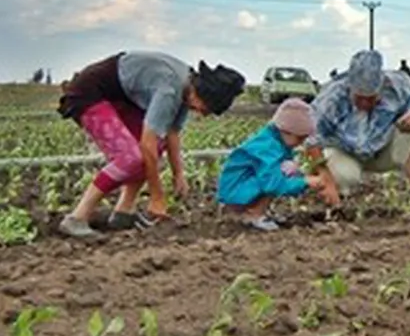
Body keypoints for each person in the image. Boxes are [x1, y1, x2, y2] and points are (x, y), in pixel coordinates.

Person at [56, 51, 246, 237]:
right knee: (132, 158)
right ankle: (77, 218)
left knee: (154, 148)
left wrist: (178, 174)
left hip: (119, 98)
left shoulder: (186, 88)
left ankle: (124, 212)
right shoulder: (170, 90)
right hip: (89, 94)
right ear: (199, 94)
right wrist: (157, 196)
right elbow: (147, 144)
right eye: (205, 109)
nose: (202, 113)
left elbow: (171, 133)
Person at [301, 50, 410, 202]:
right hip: (345, 152)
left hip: (382, 149)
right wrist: (326, 180)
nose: (365, 103)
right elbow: (311, 140)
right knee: (344, 176)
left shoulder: (398, 85)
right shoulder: (331, 97)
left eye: (371, 98)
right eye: (359, 98)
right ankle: (336, 198)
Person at [216, 98, 340, 230]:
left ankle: (256, 211)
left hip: (243, 187)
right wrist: (304, 182)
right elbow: (272, 184)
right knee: (277, 175)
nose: (301, 143)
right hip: (235, 191)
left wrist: (299, 175)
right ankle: (253, 215)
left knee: (287, 169)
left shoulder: (276, 142)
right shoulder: (268, 148)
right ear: (285, 131)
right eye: (300, 138)